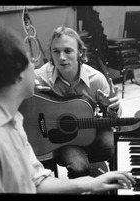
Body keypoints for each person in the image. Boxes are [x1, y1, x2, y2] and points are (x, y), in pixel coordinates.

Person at [0, 18, 135, 194]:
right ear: (15, 72)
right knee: (77, 163)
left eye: (68, 51)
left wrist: (90, 183)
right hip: (62, 141)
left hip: (88, 134)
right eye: (30, 60)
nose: (36, 65)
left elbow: (36, 180)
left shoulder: (12, 120)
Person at [34, 26, 122, 178]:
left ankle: (117, 186)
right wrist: (28, 91)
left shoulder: (97, 79)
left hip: (92, 131)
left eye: (68, 51)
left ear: (80, 52)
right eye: (56, 51)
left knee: (115, 147)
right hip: (61, 139)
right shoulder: (40, 77)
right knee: (79, 167)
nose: (61, 57)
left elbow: (114, 120)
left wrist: (113, 109)